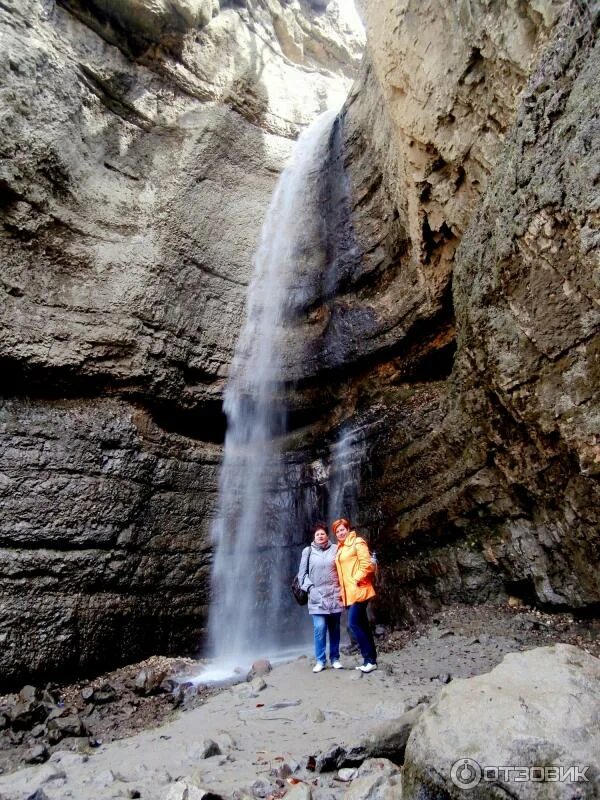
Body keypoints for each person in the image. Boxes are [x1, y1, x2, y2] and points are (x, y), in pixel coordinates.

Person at [297, 522, 344, 673]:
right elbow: (301, 575)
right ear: (314, 537)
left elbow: (348, 563)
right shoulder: (308, 551)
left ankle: (335, 658)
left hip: (334, 595)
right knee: (320, 627)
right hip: (316, 596)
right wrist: (310, 588)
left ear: (327, 535)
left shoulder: (336, 549)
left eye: (322, 533)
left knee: (334, 629)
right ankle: (320, 660)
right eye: (317, 534)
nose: (320, 535)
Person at [332, 518, 377, 673]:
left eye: (342, 529)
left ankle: (368, 659)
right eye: (337, 531)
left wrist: (356, 579)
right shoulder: (340, 548)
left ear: (348, 529)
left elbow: (367, 564)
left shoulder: (357, 542)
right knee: (362, 624)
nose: (340, 532)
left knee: (353, 623)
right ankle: (370, 660)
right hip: (349, 594)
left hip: (359, 590)